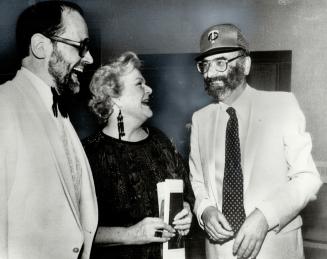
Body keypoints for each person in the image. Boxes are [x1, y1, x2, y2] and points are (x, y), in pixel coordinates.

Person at [189, 23, 322, 259]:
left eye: (221, 62)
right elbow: (197, 182)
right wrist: (205, 210)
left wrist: (264, 216)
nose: (210, 74)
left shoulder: (282, 105)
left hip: (275, 247)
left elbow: (307, 177)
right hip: (219, 252)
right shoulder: (200, 120)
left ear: (246, 64)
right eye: (205, 65)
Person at [0, 1, 97, 258]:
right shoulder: (4, 106)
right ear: (41, 47)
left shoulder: (60, 113)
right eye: (81, 47)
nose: (89, 58)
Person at [83, 51, 194, 259]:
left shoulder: (161, 141)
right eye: (139, 84)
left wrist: (187, 210)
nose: (149, 89)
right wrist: (130, 235)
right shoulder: (89, 154)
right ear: (114, 96)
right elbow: (76, 229)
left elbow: (187, 193)